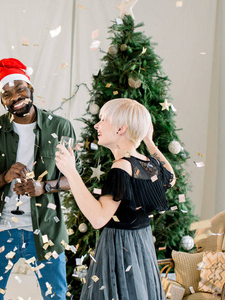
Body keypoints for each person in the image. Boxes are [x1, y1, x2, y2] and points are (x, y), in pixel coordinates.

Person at [0, 57, 77, 299]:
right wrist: (5, 177)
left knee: (56, 296)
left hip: (46, 229)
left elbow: (73, 180)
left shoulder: (60, 127)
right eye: (6, 94)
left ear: (31, 89)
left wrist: (43, 187)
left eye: (20, 89)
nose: (15, 97)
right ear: (2, 100)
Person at [55, 98, 175, 300]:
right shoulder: (148, 164)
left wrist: (71, 173)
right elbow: (170, 177)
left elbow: (98, 218)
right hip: (142, 248)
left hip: (121, 250)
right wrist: (149, 141)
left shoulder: (121, 167)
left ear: (121, 129)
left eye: (103, 119)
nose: (96, 125)